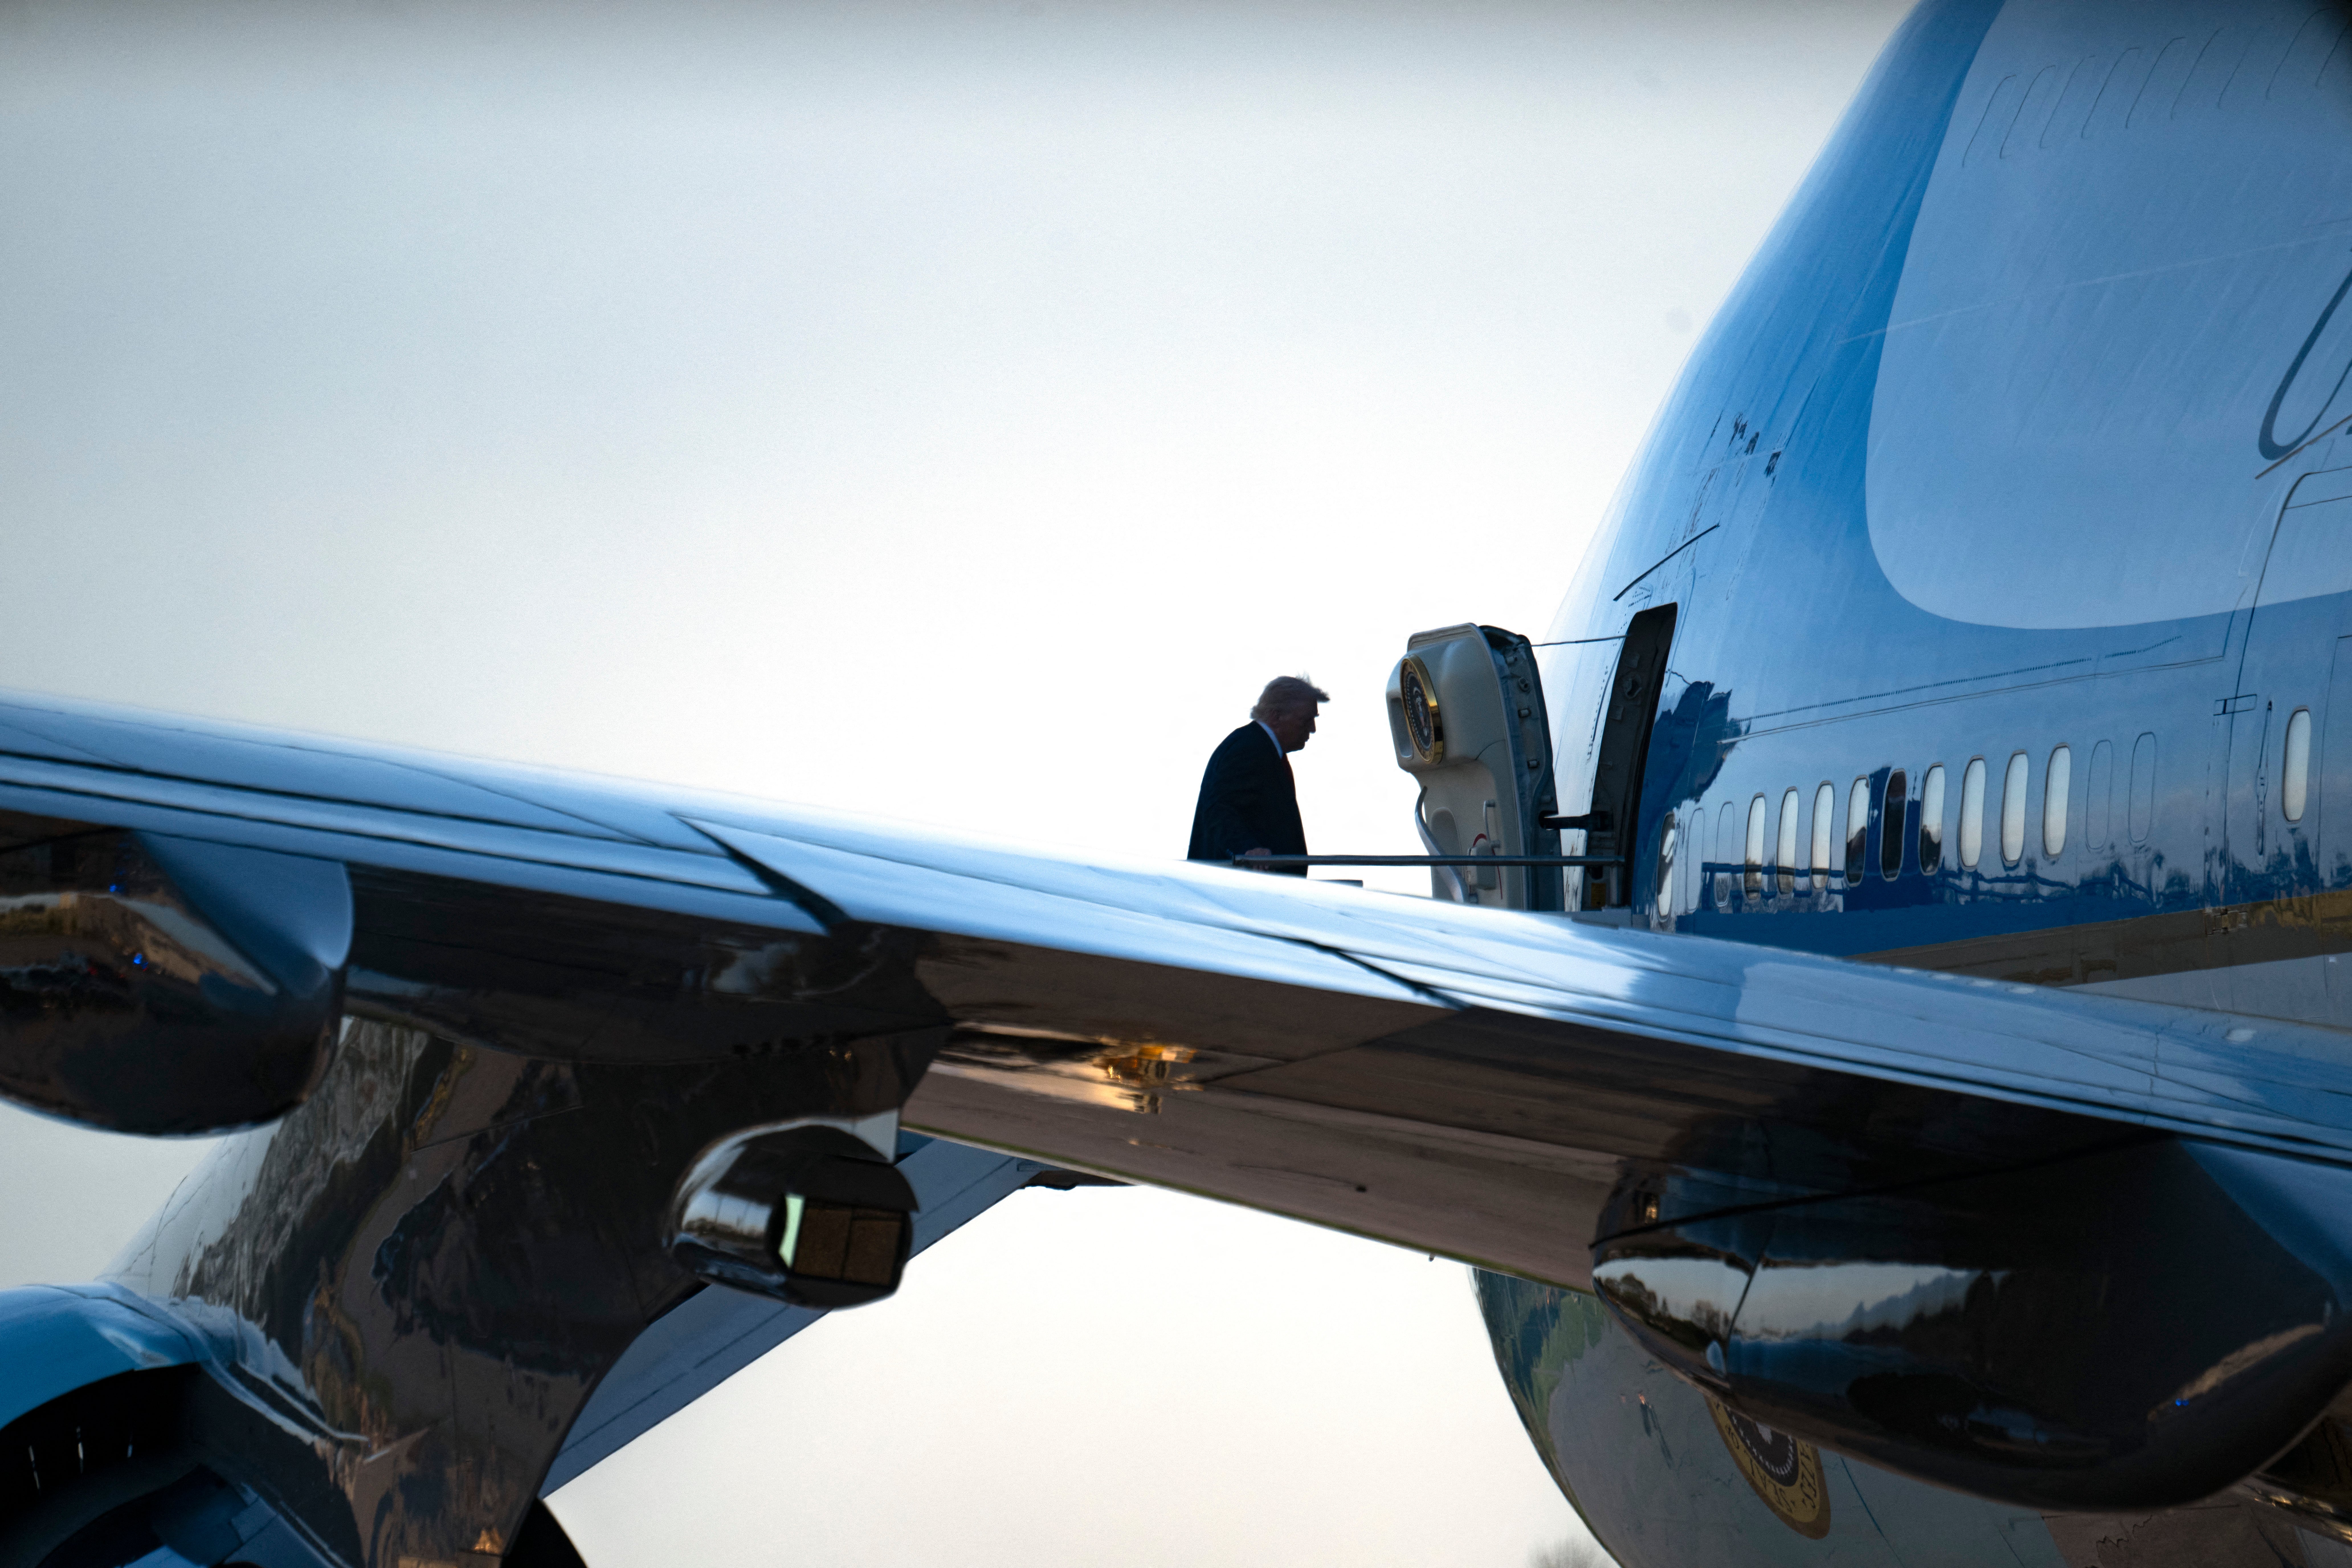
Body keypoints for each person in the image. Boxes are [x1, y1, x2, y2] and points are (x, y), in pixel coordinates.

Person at [1186, 675, 1328, 874]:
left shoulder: (1260, 749)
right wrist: (1246, 849)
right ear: (1277, 717)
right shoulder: (1250, 748)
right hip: (1243, 887)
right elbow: (1219, 807)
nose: (1312, 729)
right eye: (1306, 721)